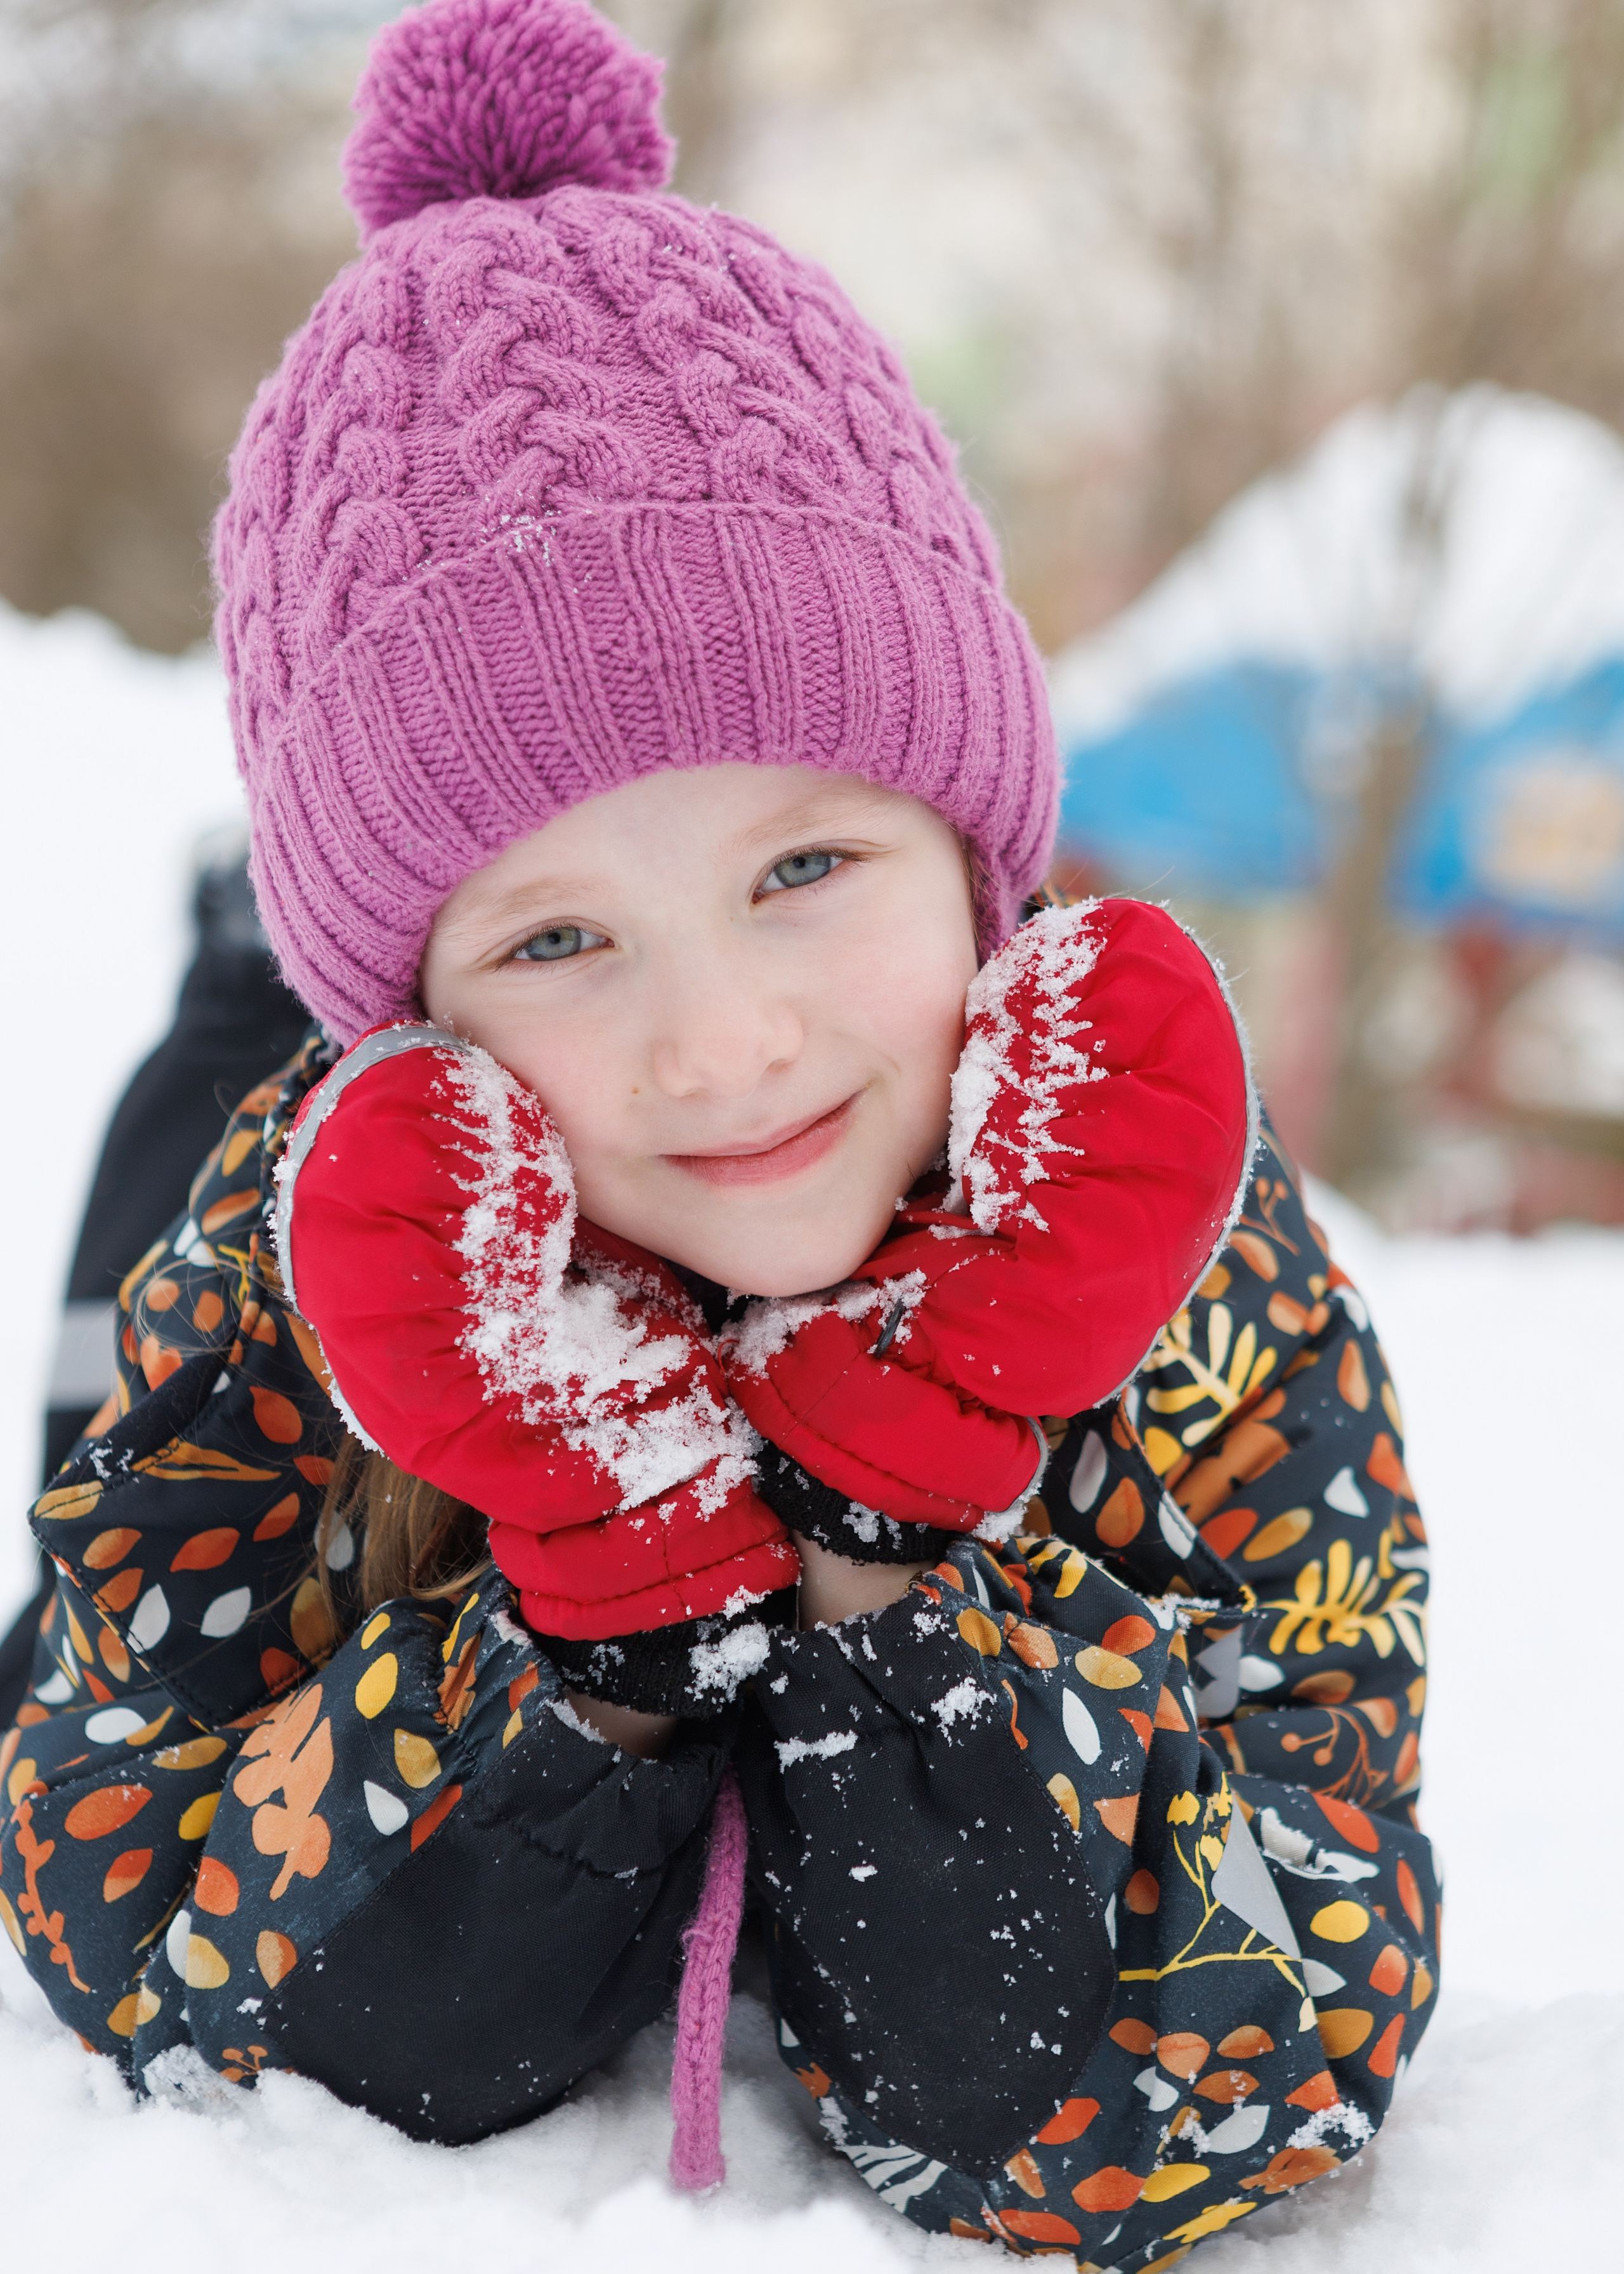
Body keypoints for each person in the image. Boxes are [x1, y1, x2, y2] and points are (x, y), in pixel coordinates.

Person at [0, 3, 1437, 2259]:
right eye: (558, 939)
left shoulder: (1190, 1255)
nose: (722, 1044)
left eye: (802, 873)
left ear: (976, 854)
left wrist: (902, 1540)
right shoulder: (289, 1257)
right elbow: (175, 1983)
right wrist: (591, 1613)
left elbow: (1248, 2055)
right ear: (414, 1013)